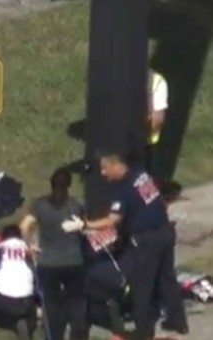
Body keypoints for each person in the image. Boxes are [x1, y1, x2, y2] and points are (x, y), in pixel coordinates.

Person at [85, 151, 188, 340]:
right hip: (164, 231)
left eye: (105, 168)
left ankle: (143, 331)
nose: (103, 173)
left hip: (146, 240)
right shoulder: (140, 174)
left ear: (116, 165)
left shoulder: (122, 190)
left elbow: (112, 220)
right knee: (167, 278)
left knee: (142, 285)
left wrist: (85, 224)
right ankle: (178, 321)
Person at [19, 167, 89, 340]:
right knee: (76, 304)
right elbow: (85, 227)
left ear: (51, 184)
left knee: (51, 306)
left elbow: (24, 226)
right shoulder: (76, 205)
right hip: (73, 261)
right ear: (69, 185)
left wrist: (29, 246)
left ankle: (53, 337)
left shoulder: (40, 204)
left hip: (48, 262)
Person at [145, 69, 168, 178]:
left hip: (145, 144)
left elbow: (157, 119)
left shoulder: (156, 81)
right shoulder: (116, 77)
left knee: (142, 183)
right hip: (118, 144)